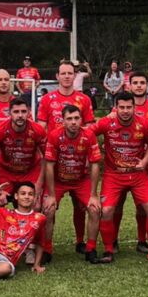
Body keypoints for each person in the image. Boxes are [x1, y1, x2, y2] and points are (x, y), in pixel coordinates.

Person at [91, 92, 148, 264]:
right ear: (115, 108)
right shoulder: (107, 122)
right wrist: (95, 151)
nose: (125, 111)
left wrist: (145, 161)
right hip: (113, 175)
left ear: (134, 107)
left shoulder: (144, 124)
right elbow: (88, 134)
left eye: (128, 107)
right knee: (107, 211)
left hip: (138, 175)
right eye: (121, 107)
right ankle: (109, 250)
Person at [43, 103, 103, 263]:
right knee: (48, 210)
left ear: (81, 120)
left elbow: (95, 163)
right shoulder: (55, 135)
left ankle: (90, 249)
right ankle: (46, 250)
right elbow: (49, 165)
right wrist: (51, 195)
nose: (73, 122)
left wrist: (93, 195)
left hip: (81, 179)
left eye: (76, 118)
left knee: (94, 209)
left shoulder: (89, 135)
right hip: (59, 180)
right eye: (69, 119)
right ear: (62, 121)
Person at [0, 98, 47, 197]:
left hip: (30, 171)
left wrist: (39, 185)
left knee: (38, 205)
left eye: (23, 111)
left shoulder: (38, 130)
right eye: (16, 112)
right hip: (6, 171)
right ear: (9, 113)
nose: (20, 115)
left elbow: (46, 158)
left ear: (29, 112)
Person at [37, 61, 95, 129]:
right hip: (54, 139)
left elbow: (89, 127)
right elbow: (41, 128)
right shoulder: (46, 99)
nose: (67, 76)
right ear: (57, 76)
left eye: (70, 73)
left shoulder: (85, 99)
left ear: (75, 76)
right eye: (63, 73)